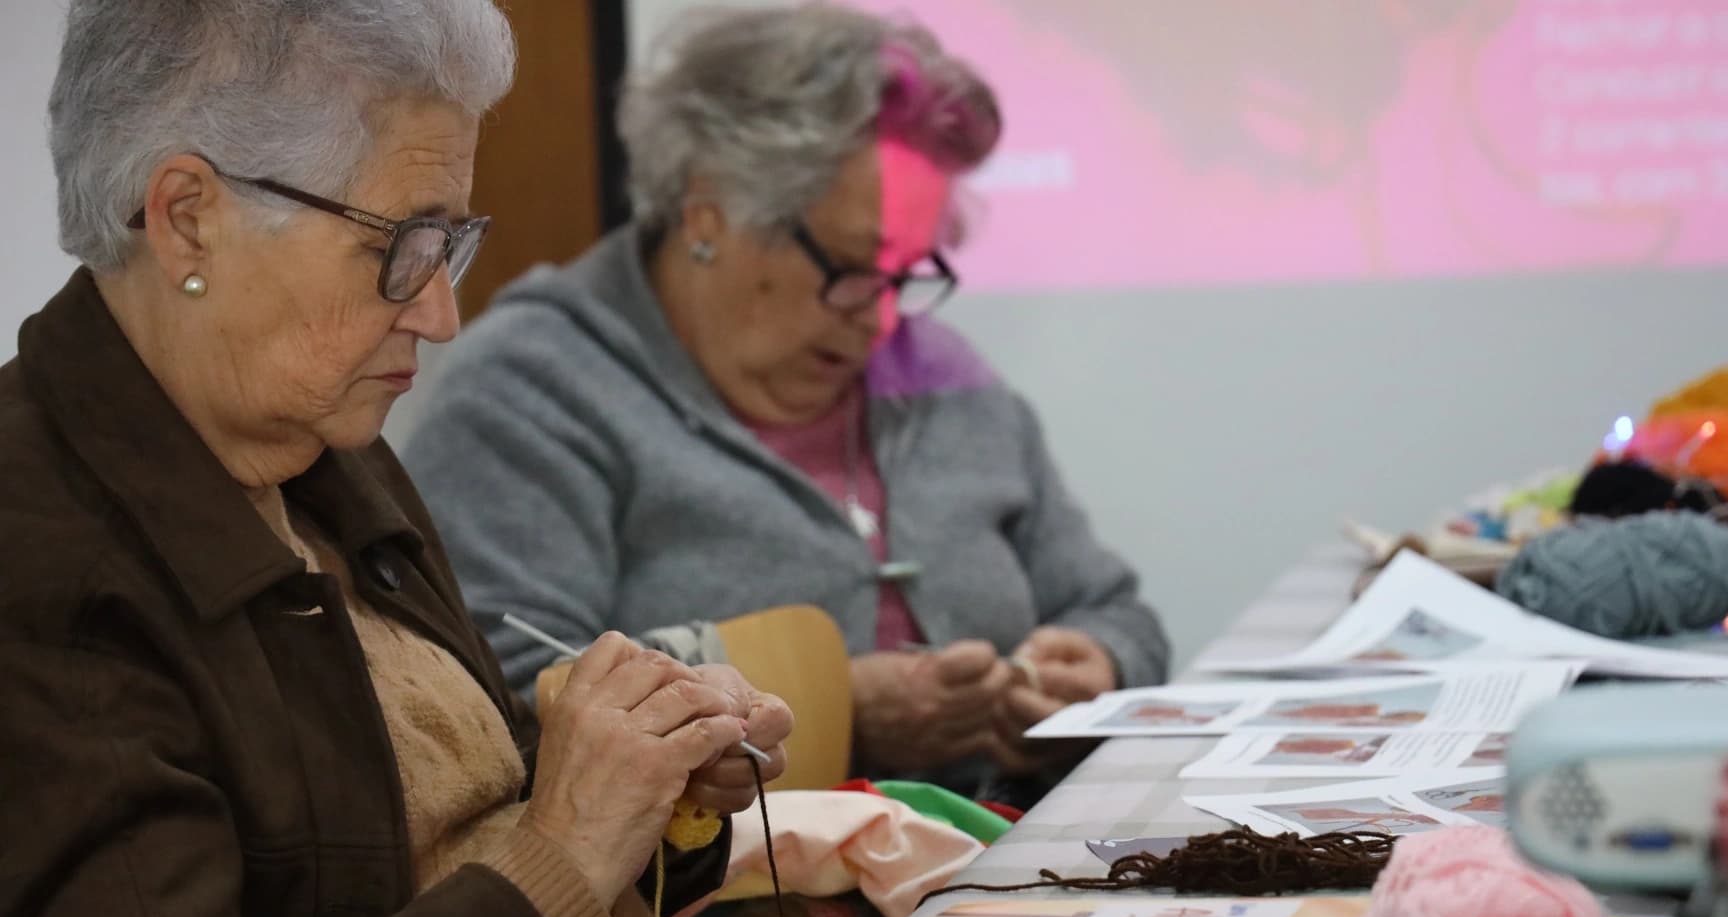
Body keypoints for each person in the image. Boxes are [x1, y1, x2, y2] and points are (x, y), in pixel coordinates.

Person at [0, 3, 790, 917]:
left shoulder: (322, 442)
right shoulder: (38, 564)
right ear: (187, 218)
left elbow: (459, 806)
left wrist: (654, 782)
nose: (439, 314)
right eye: (403, 245)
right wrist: (564, 853)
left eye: (453, 242)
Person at [403, 4, 1169, 803]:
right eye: (847, 266)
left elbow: (1118, 613)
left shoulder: (943, 375)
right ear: (707, 215)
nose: (878, 319)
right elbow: (505, 712)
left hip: (1002, 864)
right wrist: (837, 716)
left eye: (905, 273)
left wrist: (1097, 666)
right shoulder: (536, 390)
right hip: (719, 913)